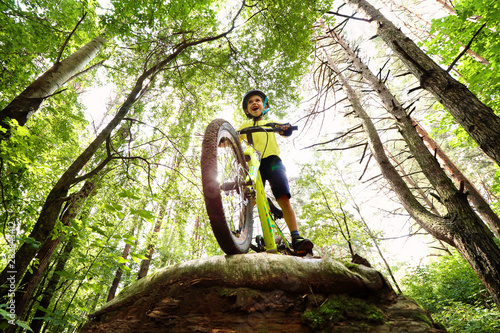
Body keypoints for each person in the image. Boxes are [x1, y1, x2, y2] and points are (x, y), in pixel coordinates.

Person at [238, 89, 314, 255]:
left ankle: (296, 238)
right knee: (249, 199)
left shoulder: (270, 122)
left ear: (264, 106)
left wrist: (284, 129)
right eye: (250, 102)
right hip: (253, 163)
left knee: (283, 197)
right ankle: (240, 233)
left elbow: (283, 131)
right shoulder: (244, 127)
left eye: (257, 100)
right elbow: (232, 140)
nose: (254, 104)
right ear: (246, 110)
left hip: (272, 161)